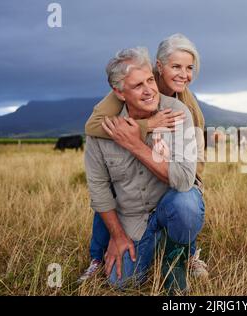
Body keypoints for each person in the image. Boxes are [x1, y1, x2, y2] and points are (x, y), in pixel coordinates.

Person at [79, 34, 208, 283]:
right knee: (111, 190)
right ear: (158, 66)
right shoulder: (128, 81)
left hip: (174, 180)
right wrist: (145, 125)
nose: (183, 74)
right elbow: (93, 126)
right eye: (176, 66)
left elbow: (195, 151)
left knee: (185, 201)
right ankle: (99, 255)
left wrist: (192, 179)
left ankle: (184, 255)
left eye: (189, 68)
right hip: (133, 205)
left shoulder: (185, 106)